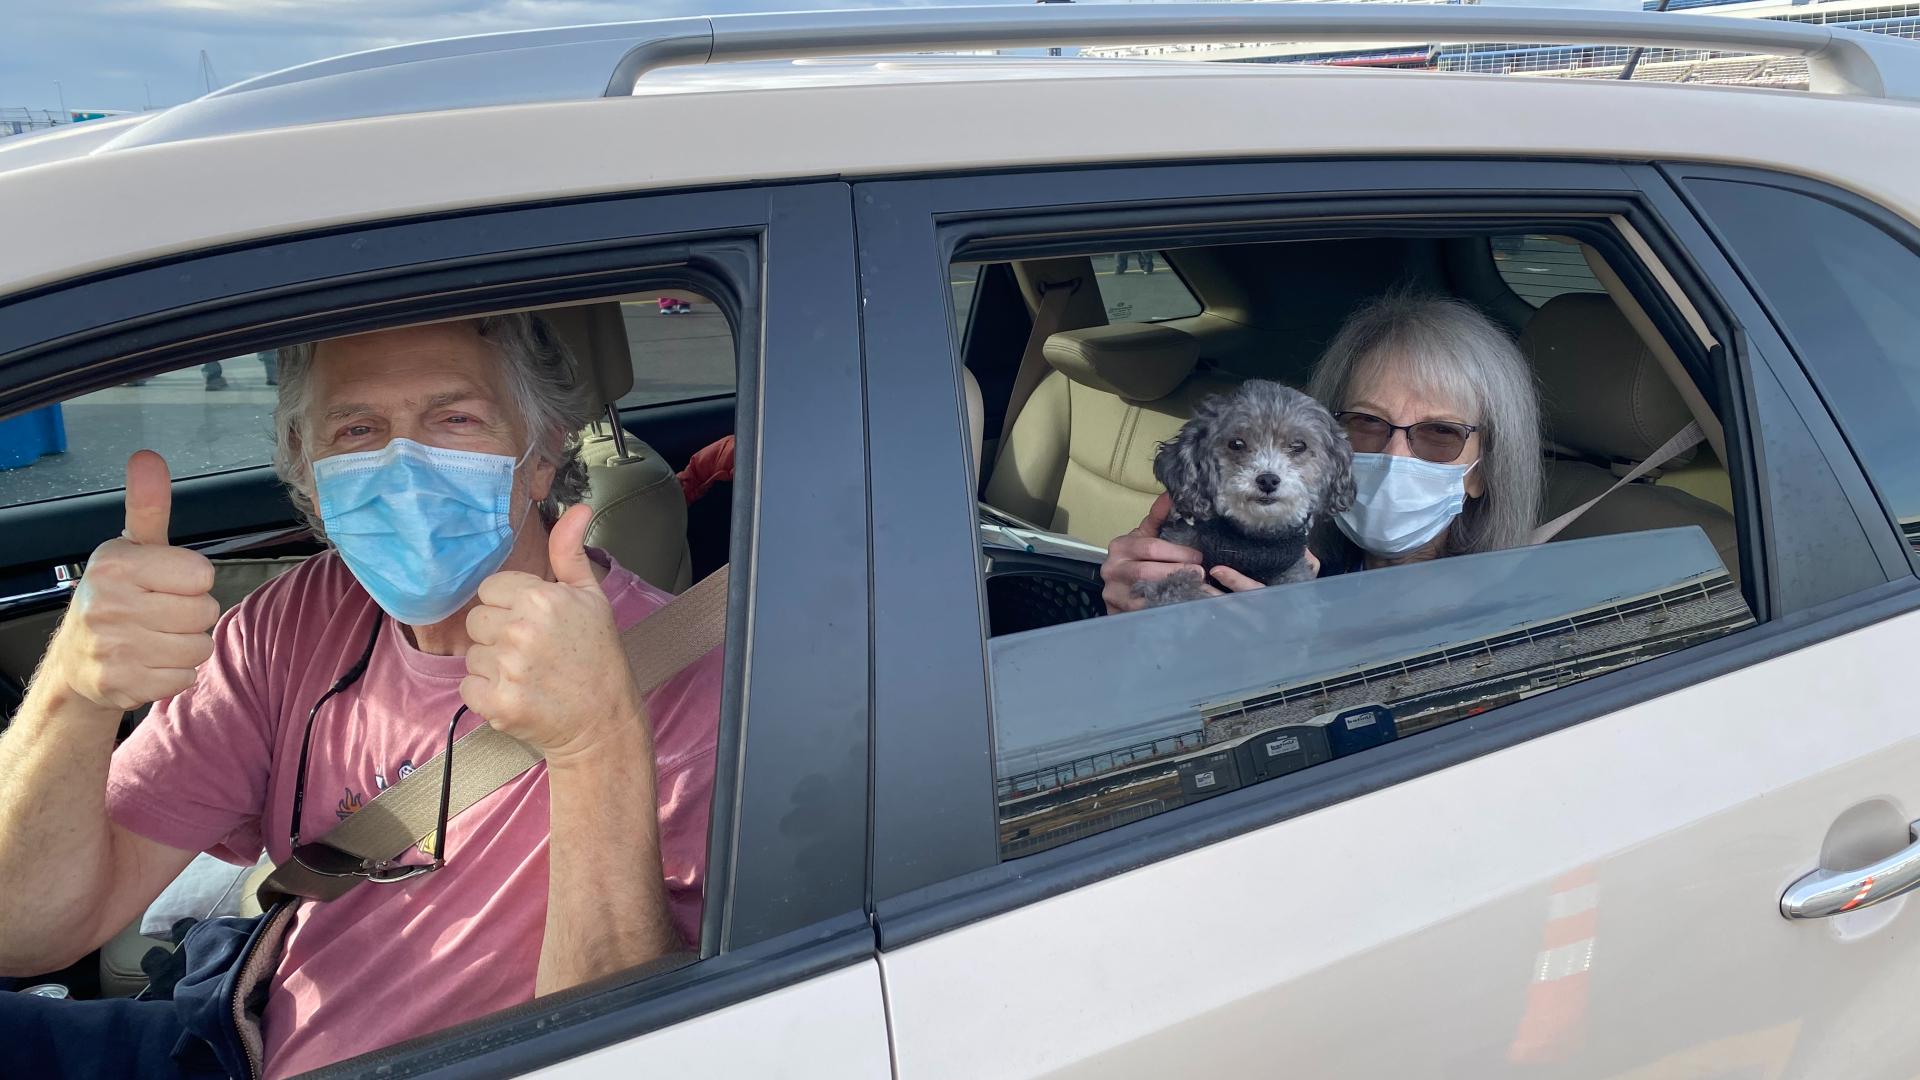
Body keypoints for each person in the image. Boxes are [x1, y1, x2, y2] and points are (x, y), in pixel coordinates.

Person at [0, 315, 720, 1078]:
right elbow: (28, 929)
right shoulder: (288, 623)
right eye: (356, 429)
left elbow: (622, 1051)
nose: (402, 465)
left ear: (540, 456)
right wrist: (75, 692)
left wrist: (595, 745)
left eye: (455, 419)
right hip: (243, 1036)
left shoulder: (692, 684)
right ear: (305, 469)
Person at [1101, 292, 1542, 613]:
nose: (1395, 457)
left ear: (1483, 471)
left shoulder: (1518, 617)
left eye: (1441, 433)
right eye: (1366, 422)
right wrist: (1133, 607)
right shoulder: (1282, 560)